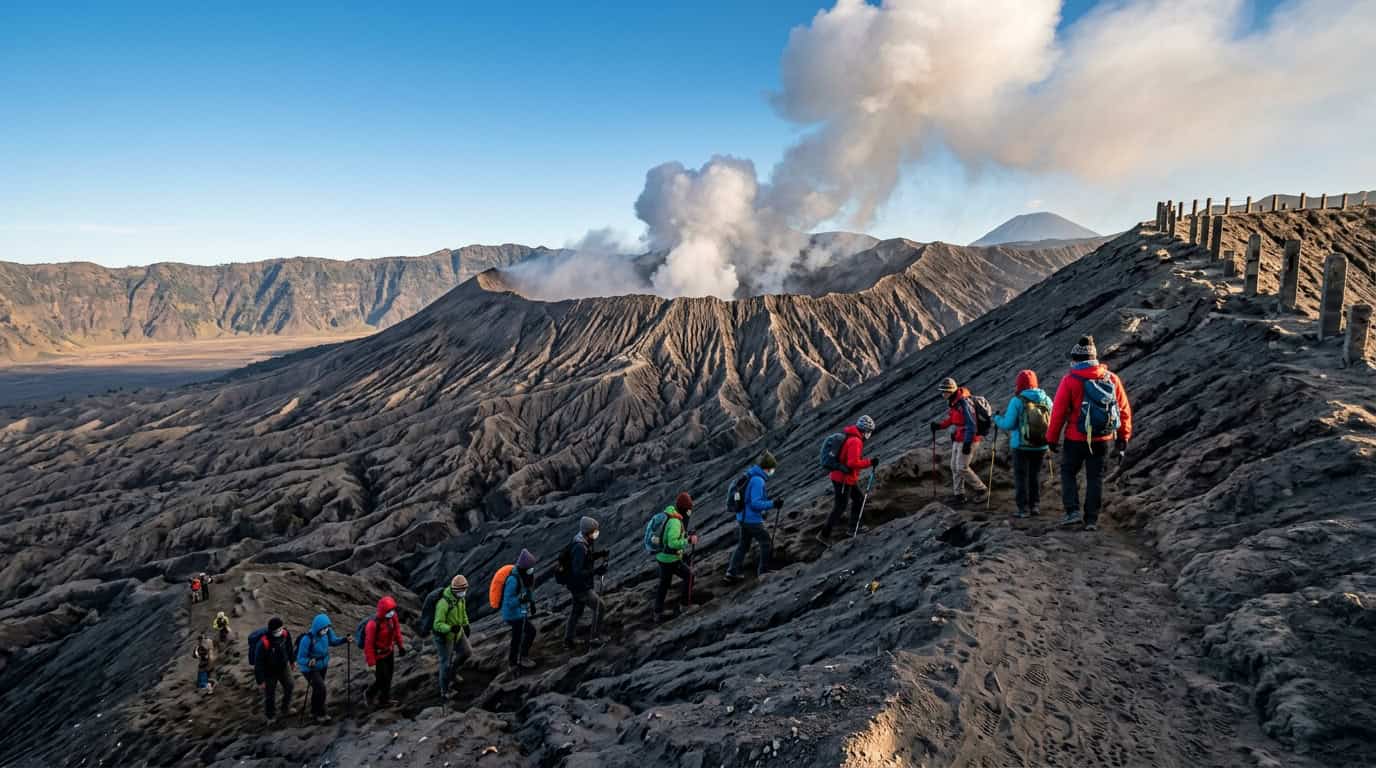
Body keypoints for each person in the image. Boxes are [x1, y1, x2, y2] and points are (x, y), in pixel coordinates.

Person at [1046, 336, 1133, 531]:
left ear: (1076, 359)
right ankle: (1091, 520)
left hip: (1075, 438)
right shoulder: (1111, 378)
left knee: (1068, 472)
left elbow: (1058, 412)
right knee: (1095, 478)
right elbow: (1123, 410)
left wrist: (1051, 439)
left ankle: (1072, 512)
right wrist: (1122, 438)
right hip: (1102, 438)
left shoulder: (1070, 380)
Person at [993, 370, 1053, 518]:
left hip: (1021, 445)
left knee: (1021, 477)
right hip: (1041, 445)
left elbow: (1008, 424)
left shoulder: (1017, 401)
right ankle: (1035, 506)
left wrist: (996, 419)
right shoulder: (1046, 399)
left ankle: (1022, 509)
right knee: (1034, 475)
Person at [725, 451, 780, 582]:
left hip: (742, 518)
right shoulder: (758, 480)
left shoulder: (750, 475)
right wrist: (773, 504)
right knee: (766, 541)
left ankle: (732, 572)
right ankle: (763, 571)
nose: (772, 471)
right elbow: (755, 503)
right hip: (752, 519)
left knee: (743, 545)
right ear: (766, 468)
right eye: (772, 468)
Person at [821, 416, 878, 540]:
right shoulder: (856, 441)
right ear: (866, 431)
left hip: (845, 477)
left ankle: (854, 528)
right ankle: (824, 535)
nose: (869, 435)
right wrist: (870, 462)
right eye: (869, 432)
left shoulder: (850, 436)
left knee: (859, 499)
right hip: (843, 479)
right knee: (840, 507)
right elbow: (852, 463)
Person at [932, 379, 987, 504]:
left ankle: (982, 490)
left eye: (944, 392)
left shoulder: (963, 403)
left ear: (950, 391)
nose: (942, 394)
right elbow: (953, 419)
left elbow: (971, 425)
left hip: (968, 439)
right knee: (954, 467)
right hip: (958, 438)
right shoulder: (954, 402)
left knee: (962, 467)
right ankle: (959, 495)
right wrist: (940, 426)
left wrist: (967, 443)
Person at [563, 517, 609, 650]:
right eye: (594, 531)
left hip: (576, 585)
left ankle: (568, 640)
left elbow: (586, 559)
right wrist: (596, 571)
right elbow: (578, 571)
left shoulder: (582, 541)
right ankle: (595, 637)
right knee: (600, 607)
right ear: (587, 531)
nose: (596, 533)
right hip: (581, 586)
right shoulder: (580, 547)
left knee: (576, 611)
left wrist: (600, 554)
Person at [653, 493, 698, 623]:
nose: (690, 512)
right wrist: (688, 540)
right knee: (689, 576)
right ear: (685, 509)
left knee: (664, 584)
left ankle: (657, 612)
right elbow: (673, 542)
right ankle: (685, 606)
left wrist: (686, 535)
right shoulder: (675, 522)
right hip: (670, 559)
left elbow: (672, 537)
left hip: (662, 557)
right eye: (689, 509)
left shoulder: (671, 515)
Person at [296, 613, 348, 724]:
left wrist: (344, 640)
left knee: (317, 689)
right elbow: (300, 658)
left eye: (327, 627)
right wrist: (308, 661)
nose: (325, 630)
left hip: (322, 665)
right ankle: (320, 714)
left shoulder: (327, 632)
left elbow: (333, 641)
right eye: (323, 628)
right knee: (321, 689)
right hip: (309, 669)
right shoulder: (307, 639)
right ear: (317, 627)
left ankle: (313, 711)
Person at [433, 574, 473, 699]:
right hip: (445, 637)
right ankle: (444, 691)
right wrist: (449, 628)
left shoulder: (461, 598)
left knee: (467, 652)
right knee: (445, 664)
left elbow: (463, 612)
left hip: (458, 632)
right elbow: (437, 624)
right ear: (456, 590)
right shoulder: (443, 603)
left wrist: (466, 625)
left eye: (465, 589)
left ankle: (452, 673)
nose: (464, 592)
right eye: (462, 590)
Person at [363, 596, 407, 708]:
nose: (392, 613)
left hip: (389, 651)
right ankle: (369, 693)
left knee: (389, 677)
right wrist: (371, 663)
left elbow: (397, 631)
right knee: (382, 679)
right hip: (378, 655)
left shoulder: (393, 617)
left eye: (392, 610)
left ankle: (384, 699)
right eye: (389, 611)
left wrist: (401, 646)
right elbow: (368, 645)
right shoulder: (372, 625)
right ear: (383, 611)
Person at [501, 549, 540, 673]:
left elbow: (528, 591)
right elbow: (508, 602)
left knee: (522, 635)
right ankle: (517, 661)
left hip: (520, 611)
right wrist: (520, 600)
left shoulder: (525, 575)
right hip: (512, 614)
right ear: (524, 566)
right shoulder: (513, 580)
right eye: (530, 567)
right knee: (523, 635)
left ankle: (518, 659)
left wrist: (532, 603)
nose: (532, 570)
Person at [254, 617, 295, 724]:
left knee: (290, 685)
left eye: (281, 629)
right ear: (271, 631)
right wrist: (260, 680)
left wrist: (292, 661)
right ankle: (270, 716)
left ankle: (285, 708)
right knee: (270, 694)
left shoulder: (285, 634)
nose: (280, 632)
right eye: (277, 630)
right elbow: (258, 663)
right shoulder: (263, 643)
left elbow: (289, 647)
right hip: (269, 672)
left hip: (283, 667)